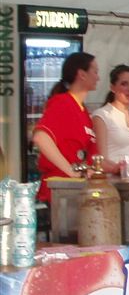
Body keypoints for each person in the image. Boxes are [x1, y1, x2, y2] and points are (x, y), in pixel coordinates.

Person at [32, 52, 100, 202]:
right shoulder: (63, 103)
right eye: (95, 72)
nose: (98, 78)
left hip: (77, 190)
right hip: (61, 191)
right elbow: (41, 137)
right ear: (82, 74)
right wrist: (71, 171)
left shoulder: (83, 111)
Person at [91, 64, 129, 175]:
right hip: (113, 177)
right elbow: (101, 159)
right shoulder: (102, 115)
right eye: (124, 84)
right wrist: (117, 169)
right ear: (112, 87)